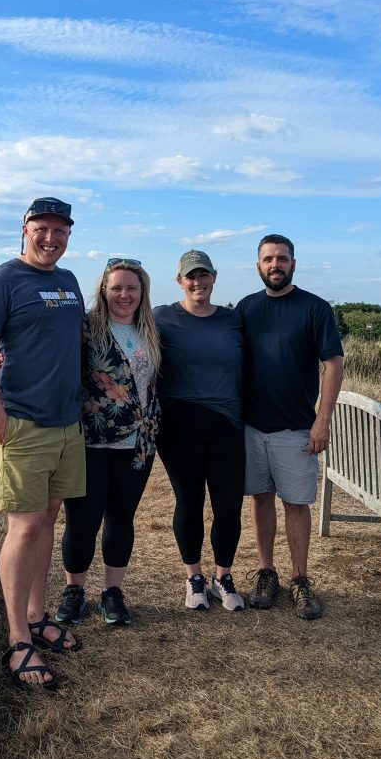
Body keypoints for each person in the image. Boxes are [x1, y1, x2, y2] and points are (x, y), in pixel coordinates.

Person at [0, 197, 85, 690]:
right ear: (25, 229)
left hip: (67, 422)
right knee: (26, 526)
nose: (51, 238)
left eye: (60, 230)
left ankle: (37, 615)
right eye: (42, 229)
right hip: (23, 423)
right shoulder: (0, 281)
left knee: (48, 521)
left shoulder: (69, 282)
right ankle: (18, 640)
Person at [237, 234, 344, 620]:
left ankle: (300, 579)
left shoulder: (315, 308)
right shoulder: (247, 308)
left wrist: (322, 420)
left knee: (296, 505)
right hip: (252, 426)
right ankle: (267, 574)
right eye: (268, 259)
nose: (275, 265)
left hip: (297, 428)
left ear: (294, 263)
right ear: (258, 266)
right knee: (260, 497)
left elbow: (333, 363)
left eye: (282, 258)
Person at [55, 259, 161, 627]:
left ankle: (112, 593)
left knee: (120, 518)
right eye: (116, 287)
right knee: (82, 521)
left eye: (132, 288)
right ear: (103, 290)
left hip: (138, 443)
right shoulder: (86, 327)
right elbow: (46, 351)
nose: (124, 294)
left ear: (142, 292)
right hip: (91, 441)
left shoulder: (151, 330)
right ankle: (74, 591)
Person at [154, 249, 246, 612]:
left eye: (203, 275)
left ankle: (223, 577)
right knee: (189, 501)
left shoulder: (233, 320)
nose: (197, 282)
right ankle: (193, 576)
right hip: (178, 425)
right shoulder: (161, 316)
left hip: (228, 424)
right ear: (179, 280)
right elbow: (119, 339)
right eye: (190, 276)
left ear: (214, 277)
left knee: (228, 505)